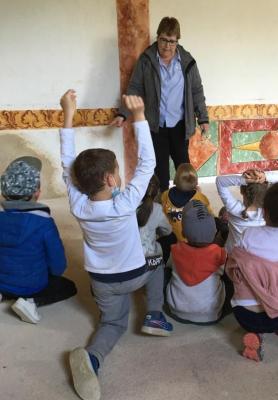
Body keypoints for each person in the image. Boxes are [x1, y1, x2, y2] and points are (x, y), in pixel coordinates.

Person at [59, 90, 173, 400]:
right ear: (111, 180)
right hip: (136, 274)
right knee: (158, 263)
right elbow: (148, 164)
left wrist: (68, 115)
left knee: (113, 323)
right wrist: (139, 117)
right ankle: (153, 312)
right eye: (118, 173)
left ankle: (93, 357)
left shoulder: (78, 205)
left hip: (102, 283)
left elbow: (67, 165)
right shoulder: (124, 204)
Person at [111, 16, 209, 192]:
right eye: (163, 40)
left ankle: (188, 206)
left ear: (177, 41)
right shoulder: (147, 60)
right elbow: (134, 87)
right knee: (159, 172)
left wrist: (203, 118)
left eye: (172, 41)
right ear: (158, 37)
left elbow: (197, 91)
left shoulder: (187, 62)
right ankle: (163, 208)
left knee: (184, 170)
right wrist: (122, 113)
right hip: (156, 127)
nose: (167, 46)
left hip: (180, 126)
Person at [226, 182, 278, 362]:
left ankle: (256, 334)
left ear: (264, 211)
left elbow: (233, 265)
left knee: (238, 268)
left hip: (245, 316)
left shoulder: (248, 234)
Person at [0, 156, 76, 323]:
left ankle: (2, 294)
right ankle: (30, 302)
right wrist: (53, 274)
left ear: (4, 191)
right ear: (37, 193)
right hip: (33, 285)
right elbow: (58, 264)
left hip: (3, 281)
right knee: (68, 286)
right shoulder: (44, 223)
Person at [165, 200, 229, 324]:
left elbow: (168, 267)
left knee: (166, 271)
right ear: (215, 232)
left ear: (183, 233)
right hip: (211, 314)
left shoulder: (175, 250)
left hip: (176, 310)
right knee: (230, 275)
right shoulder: (220, 253)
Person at [215, 169, 278, 253]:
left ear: (241, 191)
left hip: (232, 255)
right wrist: (264, 177)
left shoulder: (234, 208)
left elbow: (220, 181)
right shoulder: (268, 210)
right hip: (257, 255)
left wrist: (243, 180)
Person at [161, 163, 213, 242]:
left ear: (176, 178)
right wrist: (199, 193)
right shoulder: (200, 198)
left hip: (173, 238)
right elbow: (209, 216)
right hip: (193, 239)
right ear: (195, 181)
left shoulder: (165, 195)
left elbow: (163, 215)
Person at [137, 174, 173, 269]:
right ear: (157, 192)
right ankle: (163, 267)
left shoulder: (128, 207)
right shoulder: (157, 209)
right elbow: (167, 230)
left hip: (130, 259)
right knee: (172, 237)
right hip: (150, 260)